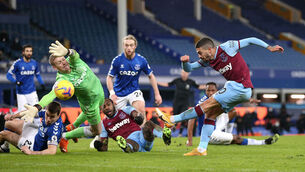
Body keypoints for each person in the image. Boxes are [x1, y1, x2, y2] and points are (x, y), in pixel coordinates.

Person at [156, 37, 284, 156]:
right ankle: (201, 149)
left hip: (239, 86)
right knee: (210, 115)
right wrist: (184, 63)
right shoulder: (207, 61)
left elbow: (251, 40)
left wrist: (269, 47)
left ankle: (172, 119)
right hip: (241, 91)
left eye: (200, 53)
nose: (199, 56)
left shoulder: (227, 47)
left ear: (209, 49)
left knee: (205, 105)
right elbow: (189, 68)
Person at [19, 41, 105, 153]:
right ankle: (66, 136)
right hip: (90, 103)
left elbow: (75, 54)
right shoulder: (62, 80)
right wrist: (37, 107)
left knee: (101, 109)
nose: (64, 62)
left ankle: (73, 126)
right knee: (97, 131)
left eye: (63, 59)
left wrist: (68, 51)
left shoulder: (73, 61)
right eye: (59, 62)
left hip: (100, 93)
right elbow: (51, 94)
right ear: (55, 68)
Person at [107, 34, 162, 121]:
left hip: (133, 90)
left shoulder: (141, 60)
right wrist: (112, 93)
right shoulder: (117, 60)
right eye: (126, 45)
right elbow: (109, 78)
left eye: (131, 45)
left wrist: (157, 94)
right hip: (119, 93)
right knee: (113, 120)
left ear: (135, 46)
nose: (129, 48)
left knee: (141, 111)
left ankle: (140, 134)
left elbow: (151, 76)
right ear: (123, 46)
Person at [93, 99, 171, 153]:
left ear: (113, 105)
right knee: (128, 142)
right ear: (101, 110)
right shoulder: (103, 124)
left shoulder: (124, 110)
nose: (107, 108)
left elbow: (134, 113)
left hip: (143, 137)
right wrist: (99, 146)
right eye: (104, 107)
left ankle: (164, 135)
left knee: (148, 124)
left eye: (108, 105)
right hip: (130, 141)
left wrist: (137, 117)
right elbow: (104, 147)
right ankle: (127, 147)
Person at [158, 69, 205, 138]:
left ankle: (180, 133)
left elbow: (198, 87)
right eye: (183, 73)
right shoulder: (177, 80)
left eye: (185, 73)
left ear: (188, 74)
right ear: (181, 73)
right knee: (175, 116)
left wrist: (207, 86)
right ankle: (173, 127)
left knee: (183, 116)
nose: (184, 74)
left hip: (185, 102)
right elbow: (168, 84)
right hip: (176, 102)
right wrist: (157, 82)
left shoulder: (190, 82)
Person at [6, 44, 45, 112]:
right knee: (22, 113)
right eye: (27, 51)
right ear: (23, 52)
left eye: (30, 51)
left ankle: (38, 123)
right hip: (21, 93)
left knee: (36, 111)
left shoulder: (34, 63)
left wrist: (42, 83)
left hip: (32, 91)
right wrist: (15, 81)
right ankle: (11, 115)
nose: (29, 53)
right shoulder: (17, 63)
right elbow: (8, 75)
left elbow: (38, 75)